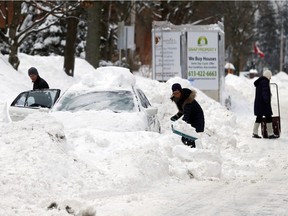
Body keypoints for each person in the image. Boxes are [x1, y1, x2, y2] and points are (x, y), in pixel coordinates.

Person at [170, 83, 205, 148]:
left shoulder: (188, 100)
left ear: (181, 91)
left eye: (177, 93)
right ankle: (193, 151)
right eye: (174, 93)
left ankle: (196, 152)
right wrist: (176, 117)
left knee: (191, 139)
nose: (176, 95)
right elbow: (182, 111)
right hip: (190, 120)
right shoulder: (180, 99)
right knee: (186, 139)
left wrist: (180, 124)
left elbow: (186, 114)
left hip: (197, 121)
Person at [252, 69, 279, 139]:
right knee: (269, 117)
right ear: (268, 76)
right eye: (270, 76)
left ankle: (254, 132)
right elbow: (265, 92)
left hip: (259, 103)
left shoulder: (260, 81)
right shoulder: (265, 82)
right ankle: (270, 134)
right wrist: (267, 100)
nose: (270, 78)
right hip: (263, 104)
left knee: (259, 117)